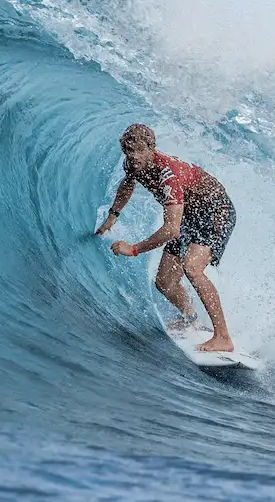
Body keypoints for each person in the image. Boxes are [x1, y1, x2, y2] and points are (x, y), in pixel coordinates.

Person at [94, 124, 238, 353]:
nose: (133, 157)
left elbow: (171, 229)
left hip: (215, 211)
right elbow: (128, 183)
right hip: (188, 215)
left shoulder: (167, 174)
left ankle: (223, 337)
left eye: (139, 151)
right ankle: (191, 319)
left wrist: (134, 249)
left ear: (151, 148)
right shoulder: (133, 164)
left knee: (192, 267)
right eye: (129, 151)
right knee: (164, 282)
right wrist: (113, 215)